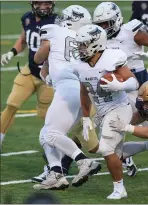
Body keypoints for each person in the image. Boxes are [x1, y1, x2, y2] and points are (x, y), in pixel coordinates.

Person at [93, 1, 148, 177]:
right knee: (110, 134)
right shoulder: (99, 38)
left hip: (139, 86)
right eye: (100, 25)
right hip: (115, 88)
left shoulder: (130, 32)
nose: (104, 28)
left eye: (107, 23)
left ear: (117, 20)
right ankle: (130, 155)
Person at [32, 5, 101, 190]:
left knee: (51, 134)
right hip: (83, 91)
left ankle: (83, 161)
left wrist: (42, 61)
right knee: (45, 135)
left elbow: (39, 58)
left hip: (67, 88)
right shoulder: (84, 40)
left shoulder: (54, 30)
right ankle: (56, 174)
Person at [73, 24, 142, 199]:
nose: (80, 48)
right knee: (115, 151)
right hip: (101, 110)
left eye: (84, 44)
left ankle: (120, 189)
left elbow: (134, 83)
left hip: (119, 107)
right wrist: (87, 117)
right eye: (79, 44)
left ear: (96, 44)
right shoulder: (80, 65)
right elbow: (84, 91)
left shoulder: (111, 58)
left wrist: (120, 85)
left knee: (106, 148)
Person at [0, 1, 56, 146]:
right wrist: (11, 53)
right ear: (32, 3)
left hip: (49, 77)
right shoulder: (27, 18)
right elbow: (23, 40)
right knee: (12, 104)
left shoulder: (58, 22)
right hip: (30, 71)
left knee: (47, 117)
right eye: (39, 3)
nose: (43, 6)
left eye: (47, 3)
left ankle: (55, 154)